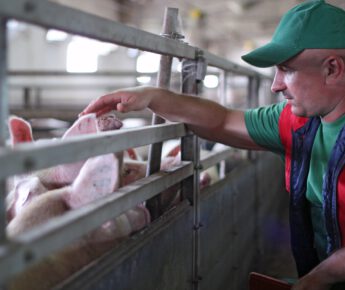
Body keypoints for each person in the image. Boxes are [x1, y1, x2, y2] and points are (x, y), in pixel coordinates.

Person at [80, 1, 345, 289]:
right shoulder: (298, 124)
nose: (275, 85)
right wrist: (152, 96)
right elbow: (220, 120)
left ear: (332, 68)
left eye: (286, 69)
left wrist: (323, 276)